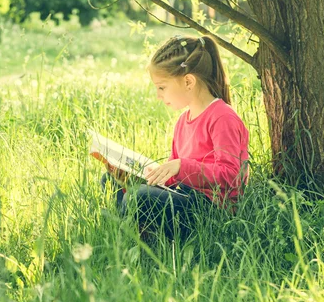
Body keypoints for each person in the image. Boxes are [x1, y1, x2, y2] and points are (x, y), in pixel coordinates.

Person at [101, 35, 249, 239]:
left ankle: (142, 235)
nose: (158, 95)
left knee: (139, 197)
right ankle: (139, 234)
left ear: (188, 81)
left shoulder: (222, 117)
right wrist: (142, 175)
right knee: (110, 180)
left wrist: (182, 166)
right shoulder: (182, 121)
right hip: (182, 195)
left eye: (162, 87)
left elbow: (232, 175)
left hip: (211, 208)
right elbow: (174, 177)